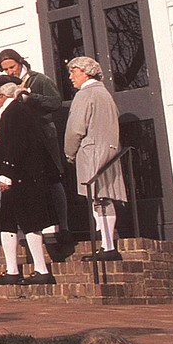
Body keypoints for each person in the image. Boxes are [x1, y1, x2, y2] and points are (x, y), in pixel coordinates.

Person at [0, 48, 70, 253]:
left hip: (42, 137)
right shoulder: (4, 85)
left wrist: (30, 98)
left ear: (20, 63)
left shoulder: (38, 79)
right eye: (5, 69)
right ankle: (30, 227)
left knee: (53, 179)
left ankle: (63, 226)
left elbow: (55, 102)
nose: (10, 71)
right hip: (20, 143)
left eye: (12, 67)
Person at [0, 75, 57, 286]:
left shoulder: (15, 112)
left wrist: (7, 171)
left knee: (30, 221)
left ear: (0, 95)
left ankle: (41, 270)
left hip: (20, 177)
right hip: (17, 176)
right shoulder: (14, 111)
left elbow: (16, 144)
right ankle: (12, 270)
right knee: (8, 223)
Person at [64, 56, 128, 262]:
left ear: (86, 72)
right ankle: (107, 244)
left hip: (91, 153)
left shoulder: (85, 95)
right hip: (109, 152)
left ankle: (107, 246)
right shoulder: (105, 94)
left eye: (73, 72)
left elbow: (75, 128)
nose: (70, 77)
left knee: (97, 199)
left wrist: (69, 152)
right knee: (104, 197)